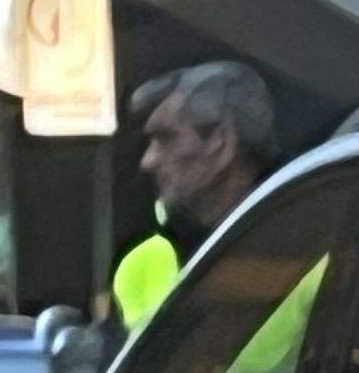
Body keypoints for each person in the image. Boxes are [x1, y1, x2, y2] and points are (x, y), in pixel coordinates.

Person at [111, 60, 273, 331]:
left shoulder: (307, 245)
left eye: (166, 138)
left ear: (220, 141)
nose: (148, 161)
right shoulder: (141, 264)